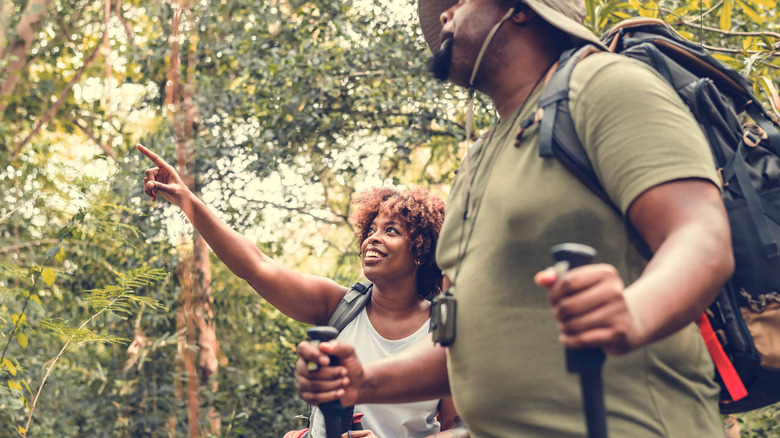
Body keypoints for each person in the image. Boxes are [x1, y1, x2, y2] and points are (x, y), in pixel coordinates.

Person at [294, 0, 735, 437]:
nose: (445, 15)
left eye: (460, 1)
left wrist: (632, 313)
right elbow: (465, 350)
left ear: (520, 8)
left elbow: (701, 237)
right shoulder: (480, 158)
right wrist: (363, 381)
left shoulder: (605, 85)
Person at [137, 145, 468, 438]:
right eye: (371, 229)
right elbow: (256, 265)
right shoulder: (337, 305)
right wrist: (185, 198)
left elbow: (460, 426)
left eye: (391, 231)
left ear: (422, 250)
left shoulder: (442, 328)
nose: (373, 239)